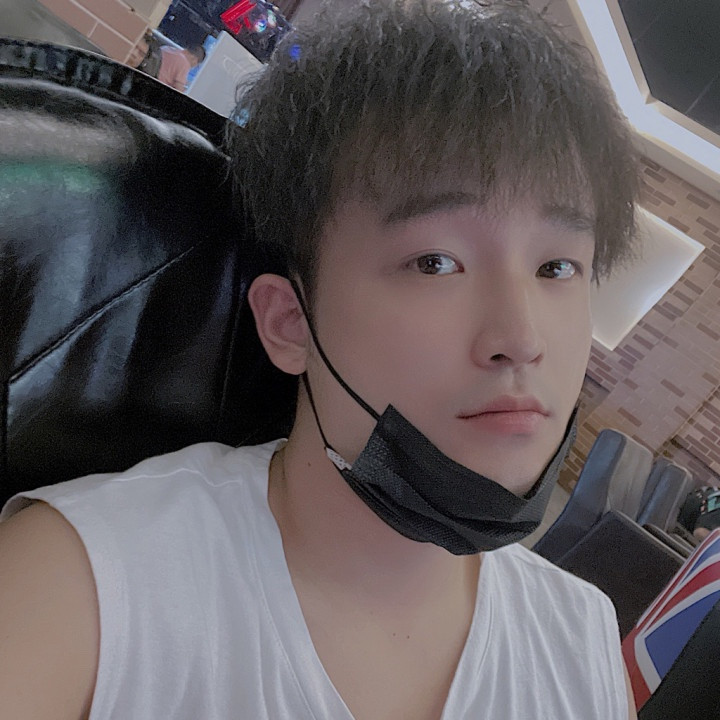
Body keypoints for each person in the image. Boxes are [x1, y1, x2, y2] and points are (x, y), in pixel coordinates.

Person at [0, 1, 640, 718]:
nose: (522, 338)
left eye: (557, 267)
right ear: (290, 324)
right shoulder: (86, 590)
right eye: (435, 262)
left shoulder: (582, 638)